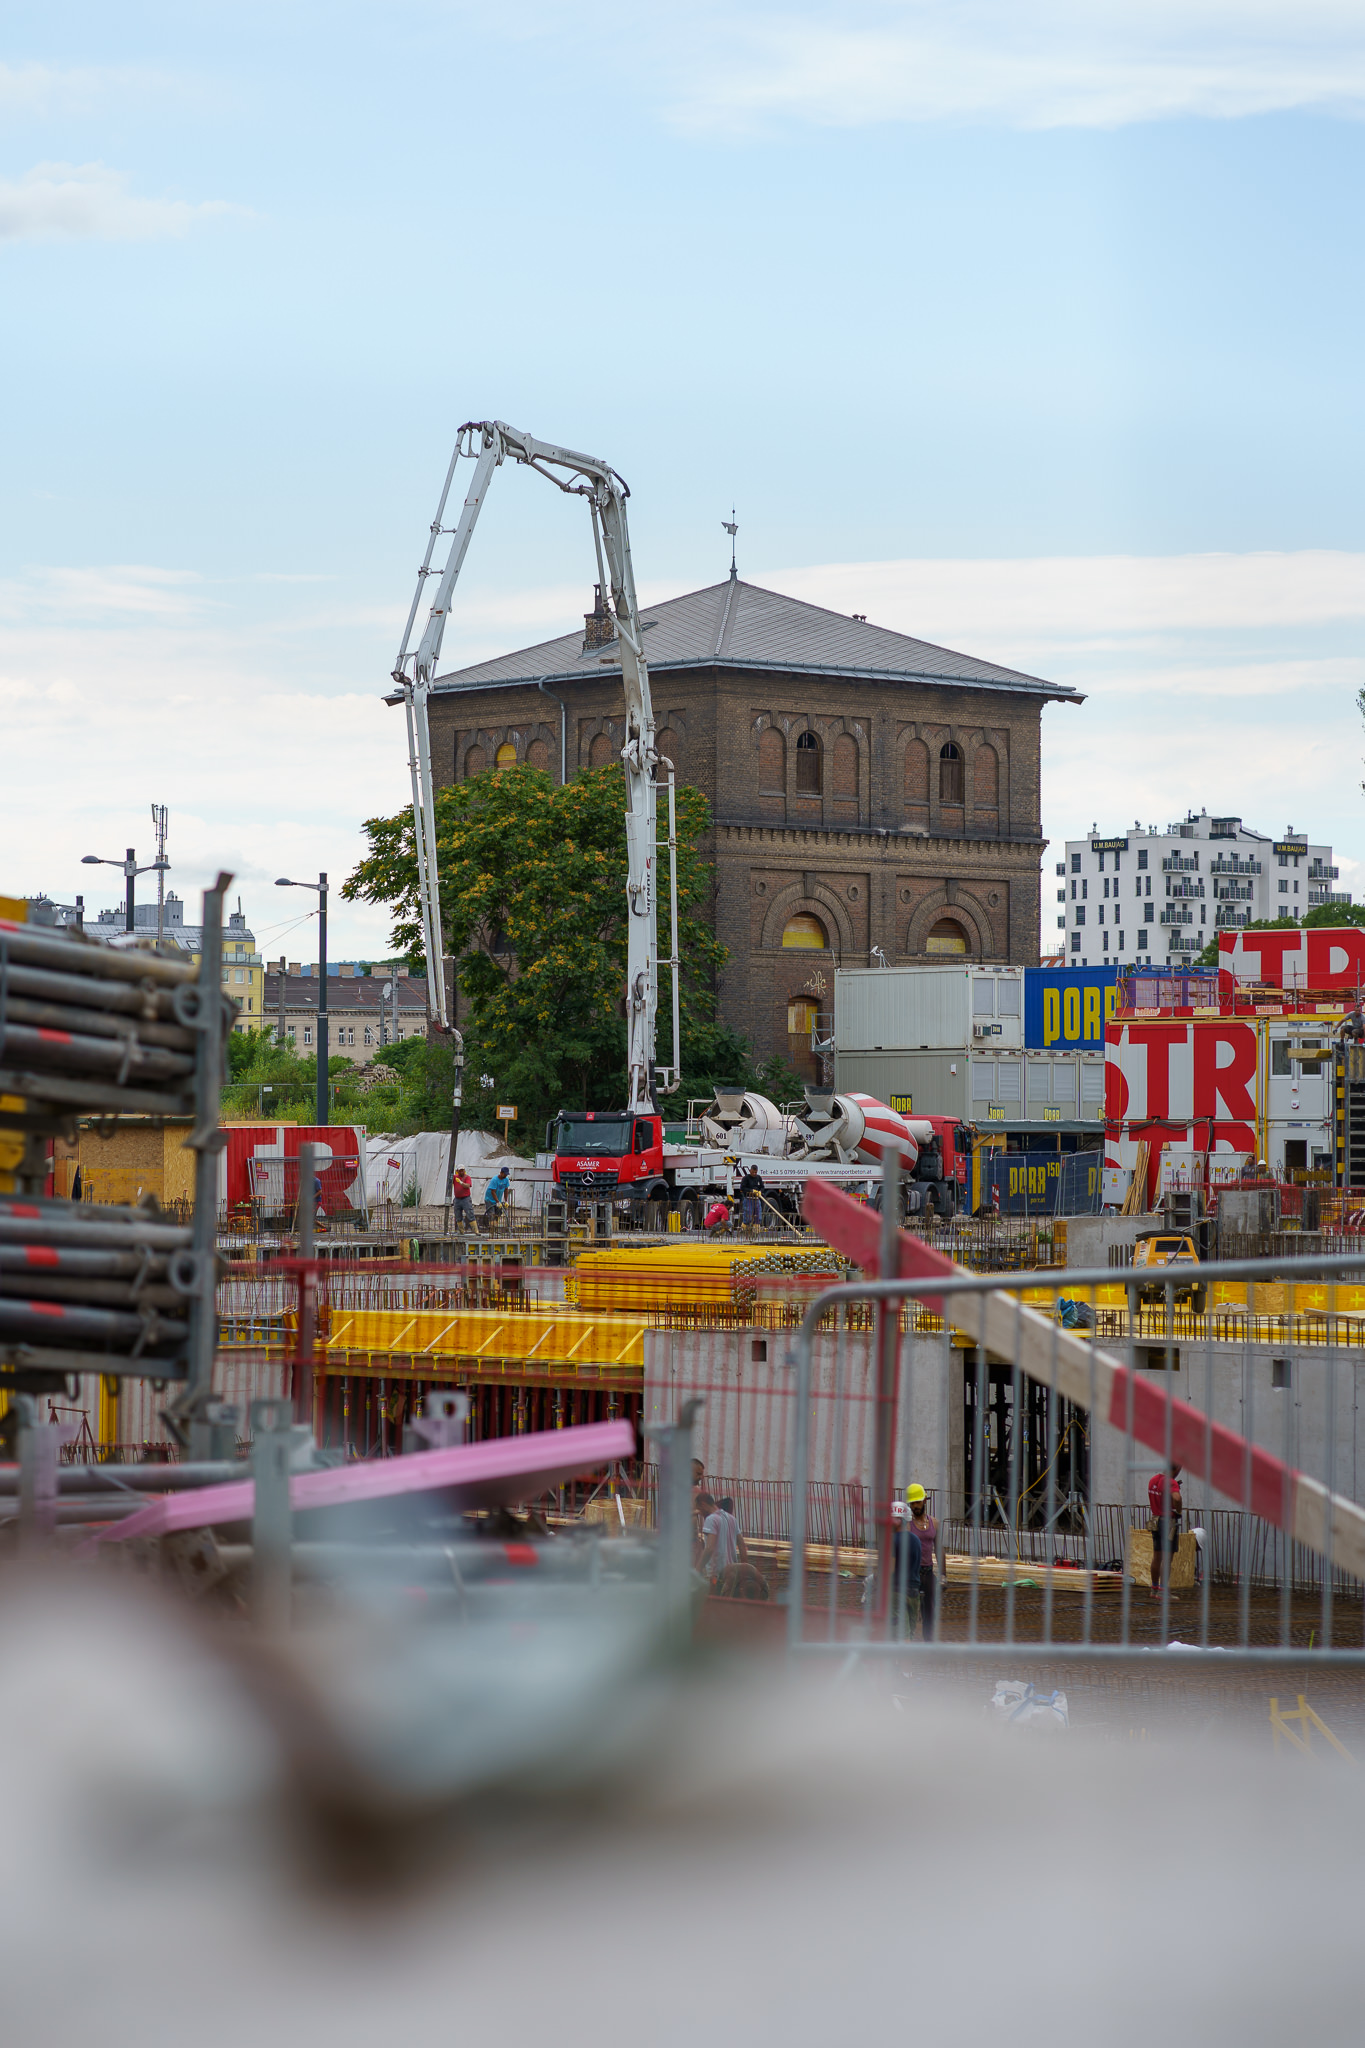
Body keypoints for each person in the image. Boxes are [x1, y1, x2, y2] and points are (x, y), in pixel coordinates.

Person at [905, 1483, 940, 1641]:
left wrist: (944, 1575)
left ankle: (929, 1644)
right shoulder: (907, 1525)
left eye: (918, 1502)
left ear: (925, 1500)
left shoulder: (935, 1523)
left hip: (928, 1572)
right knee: (910, 1609)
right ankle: (908, 1640)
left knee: (930, 1611)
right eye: (912, 1503)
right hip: (912, 1573)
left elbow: (939, 1549)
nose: (915, 1506)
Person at [1148, 1461, 1184, 1600]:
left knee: (1157, 1556)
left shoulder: (1153, 1479)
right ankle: (1163, 1591)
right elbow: (1177, 1498)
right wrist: (1178, 1509)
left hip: (1155, 1519)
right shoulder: (1171, 1482)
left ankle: (1154, 1589)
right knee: (1167, 1558)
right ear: (1177, 1468)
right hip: (1167, 1521)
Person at [889, 1498, 923, 1638]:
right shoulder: (916, 1540)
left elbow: (889, 1570)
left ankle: (899, 1660)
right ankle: (907, 1659)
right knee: (910, 1634)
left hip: (898, 1592)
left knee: (900, 1635)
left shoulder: (892, 1540)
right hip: (914, 1593)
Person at [697, 1492, 741, 1584]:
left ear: (703, 1505)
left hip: (716, 1577)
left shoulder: (711, 1519)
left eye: (699, 1510)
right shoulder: (732, 1518)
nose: (700, 1514)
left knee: (714, 1597)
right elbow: (742, 1546)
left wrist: (697, 1570)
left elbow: (709, 1549)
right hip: (733, 1573)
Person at [483, 1165, 512, 1230]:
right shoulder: (494, 1180)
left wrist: (506, 1200)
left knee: (498, 1213)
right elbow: (493, 1192)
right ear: (501, 1173)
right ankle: (492, 1229)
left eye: (506, 1175)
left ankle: (495, 1228)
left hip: (497, 1200)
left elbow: (506, 1189)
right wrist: (497, 1202)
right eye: (504, 1174)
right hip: (490, 1199)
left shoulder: (506, 1179)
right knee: (491, 1214)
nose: (505, 1176)